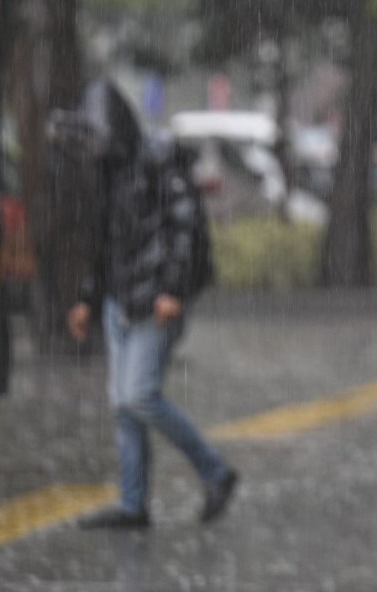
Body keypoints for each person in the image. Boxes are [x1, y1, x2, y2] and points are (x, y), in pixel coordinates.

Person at [62, 79, 238, 529]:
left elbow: (186, 227)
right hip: (121, 300)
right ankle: (133, 503)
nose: (94, 148)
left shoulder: (160, 160)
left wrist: (173, 290)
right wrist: (86, 298)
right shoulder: (107, 172)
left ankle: (215, 471)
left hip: (155, 301)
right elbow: (100, 241)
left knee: (138, 396)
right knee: (124, 405)